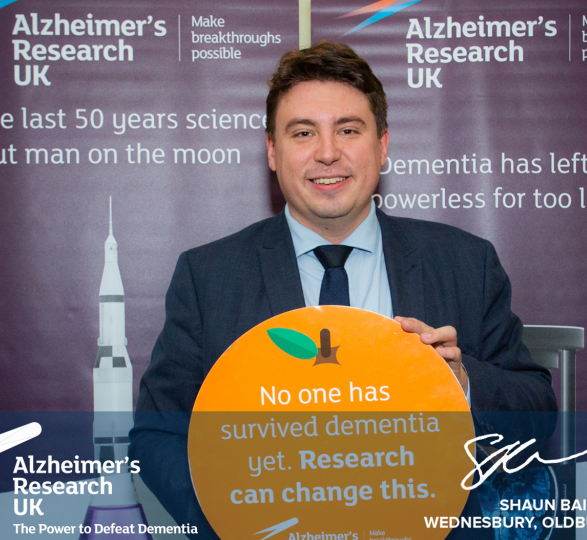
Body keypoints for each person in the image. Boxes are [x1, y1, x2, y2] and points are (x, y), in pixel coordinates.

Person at [131, 41, 557, 536]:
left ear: (382, 145)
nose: (327, 152)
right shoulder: (209, 277)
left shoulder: (465, 262)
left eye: (348, 130)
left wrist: (462, 386)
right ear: (272, 150)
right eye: (303, 132)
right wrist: (235, 512)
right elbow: (156, 438)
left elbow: (537, 413)